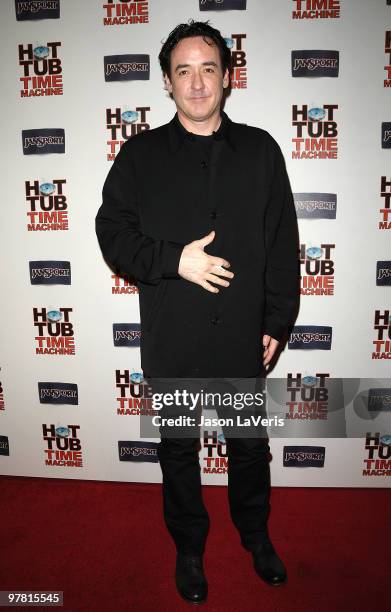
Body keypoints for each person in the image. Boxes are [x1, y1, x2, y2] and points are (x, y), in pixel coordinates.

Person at [96, 20, 299, 605]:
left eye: (208, 67)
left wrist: (277, 321)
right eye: (183, 70)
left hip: (240, 334)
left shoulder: (261, 151)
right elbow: (111, 232)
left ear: (228, 77)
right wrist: (171, 261)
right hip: (174, 335)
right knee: (179, 448)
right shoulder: (139, 155)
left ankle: (255, 536)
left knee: (248, 445)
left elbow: (283, 242)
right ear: (167, 82)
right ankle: (189, 546)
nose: (197, 81)